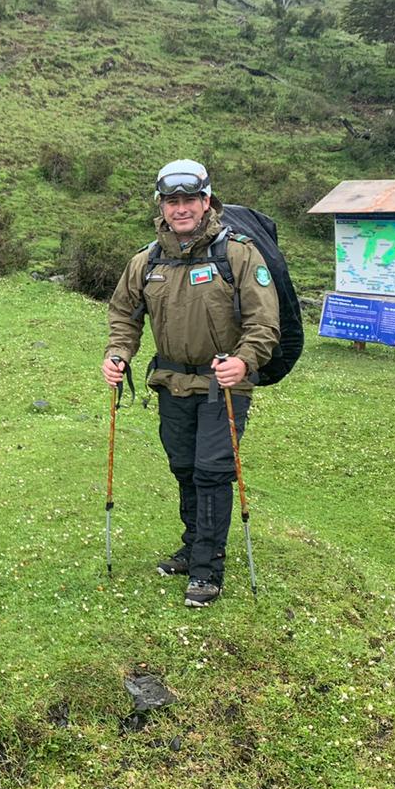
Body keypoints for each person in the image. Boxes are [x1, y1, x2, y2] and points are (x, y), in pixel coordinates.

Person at [101, 160, 279, 608]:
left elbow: (264, 323)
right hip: (171, 382)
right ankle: (192, 545)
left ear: (206, 202)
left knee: (212, 471)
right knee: (183, 465)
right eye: (172, 201)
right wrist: (118, 354)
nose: (180, 209)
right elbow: (124, 314)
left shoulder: (237, 254)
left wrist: (244, 361)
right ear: (161, 206)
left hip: (224, 385)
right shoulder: (147, 261)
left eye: (189, 200)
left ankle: (207, 569)